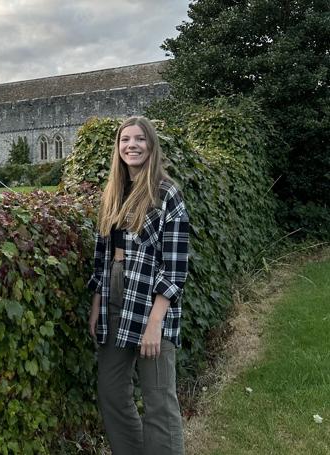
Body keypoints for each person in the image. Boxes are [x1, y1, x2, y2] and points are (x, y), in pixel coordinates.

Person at [87, 116, 189, 454]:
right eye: (125, 139)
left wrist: (154, 325)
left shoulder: (166, 193)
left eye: (140, 139)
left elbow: (175, 267)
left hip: (151, 303)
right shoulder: (114, 192)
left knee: (158, 400)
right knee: (112, 390)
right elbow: (103, 252)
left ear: (151, 145)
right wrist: (97, 304)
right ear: (118, 148)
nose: (132, 145)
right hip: (115, 296)